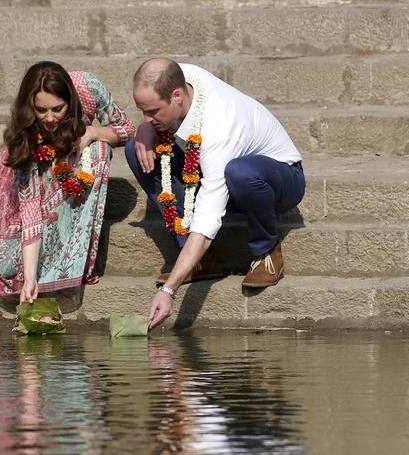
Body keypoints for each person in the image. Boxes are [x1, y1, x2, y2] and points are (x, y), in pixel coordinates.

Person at [125, 58, 305, 329]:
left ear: (177, 96)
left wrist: (169, 290)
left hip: (278, 178)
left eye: (152, 112)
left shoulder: (219, 128)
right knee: (136, 149)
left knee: (240, 173)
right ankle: (201, 261)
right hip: (214, 169)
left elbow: (207, 221)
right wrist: (145, 129)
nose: (147, 118)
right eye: (142, 111)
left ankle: (266, 251)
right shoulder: (179, 75)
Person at [0, 61, 135, 303]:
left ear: (71, 100)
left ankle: (72, 259)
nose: (49, 118)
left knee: (99, 151)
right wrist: (30, 277)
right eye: (41, 110)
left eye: (58, 109)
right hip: (40, 169)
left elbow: (128, 129)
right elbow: (30, 207)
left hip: (76, 157)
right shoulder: (26, 135)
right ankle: (48, 266)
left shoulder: (88, 87)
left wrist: (94, 133)